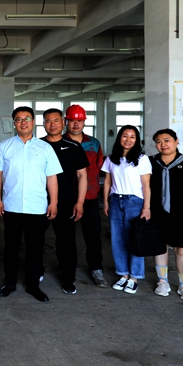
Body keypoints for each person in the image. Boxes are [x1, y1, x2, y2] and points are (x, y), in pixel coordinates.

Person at [0, 106, 62, 303]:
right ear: (14, 124)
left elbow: (52, 178)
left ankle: (33, 285)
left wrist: (54, 202)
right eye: (19, 119)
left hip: (37, 207)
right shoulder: (4, 147)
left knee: (35, 248)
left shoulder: (45, 148)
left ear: (33, 122)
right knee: (11, 248)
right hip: (12, 206)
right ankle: (9, 283)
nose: (23, 122)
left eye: (26, 118)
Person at [150, 129, 183, 302]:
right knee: (160, 247)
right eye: (158, 141)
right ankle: (162, 281)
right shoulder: (150, 162)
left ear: (176, 141)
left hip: (182, 213)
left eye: (167, 140)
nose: (163, 144)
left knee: (182, 249)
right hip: (157, 212)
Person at [41, 108, 88, 295]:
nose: (52, 124)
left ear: (63, 123)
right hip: (39, 201)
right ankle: (36, 271)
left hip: (66, 202)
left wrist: (80, 202)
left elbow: (82, 176)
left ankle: (68, 278)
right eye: (48, 121)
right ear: (43, 124)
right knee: (36, 239)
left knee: (66, 242)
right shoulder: (37, 145)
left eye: (56, 120)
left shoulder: (74, 147)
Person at [101, 125, 152, 294]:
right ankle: (123, 274)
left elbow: (146, 185)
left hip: (134, 202)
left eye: (132, 137)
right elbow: (107, 182)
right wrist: (106, 202)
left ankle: (134, 277)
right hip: (116, 200)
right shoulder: (111, 159)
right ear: (119, 138)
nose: (128, 140)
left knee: (134, 240)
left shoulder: (142, 159)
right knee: (117, 239)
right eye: (125, 136)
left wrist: (146, 207)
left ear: (137, 140)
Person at [64, 104, 108, 288]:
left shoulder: (94, 143)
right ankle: (67, 270)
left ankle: (96, 269)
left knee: (93, 235)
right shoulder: (60, 142)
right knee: (66, 237)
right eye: (72, 121)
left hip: (89, 197)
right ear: (66, 122)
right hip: (67, 197)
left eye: (80, 121)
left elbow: (99, 167)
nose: (76, 124)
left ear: (84, 122)